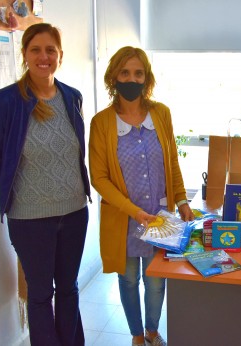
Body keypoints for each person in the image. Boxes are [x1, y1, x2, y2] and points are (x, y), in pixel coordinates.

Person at [0, 23, 91, 346]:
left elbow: (74, 153)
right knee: (41, 295)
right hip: (29, 219)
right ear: (25, 54)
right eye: (36, 50)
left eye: (50, 50)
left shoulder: (72, 97)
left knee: (69, 289)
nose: (44, 57)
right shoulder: (3, 103)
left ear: (60, 55)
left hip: (74, 213)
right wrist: (26, 191)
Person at [89, 46, 195, 346]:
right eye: (125, 72)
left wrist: (183, 200)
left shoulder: (161, 114)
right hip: (124, 221)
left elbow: (172, 161)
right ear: (113, 77)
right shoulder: (102, 123)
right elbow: (99, 178)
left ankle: (152, 330)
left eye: (138, 73)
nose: (131, 79)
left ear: (146, 78)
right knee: (129, 279)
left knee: (157, 280)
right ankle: (136, 334)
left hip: (160, 218)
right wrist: (132, 210)